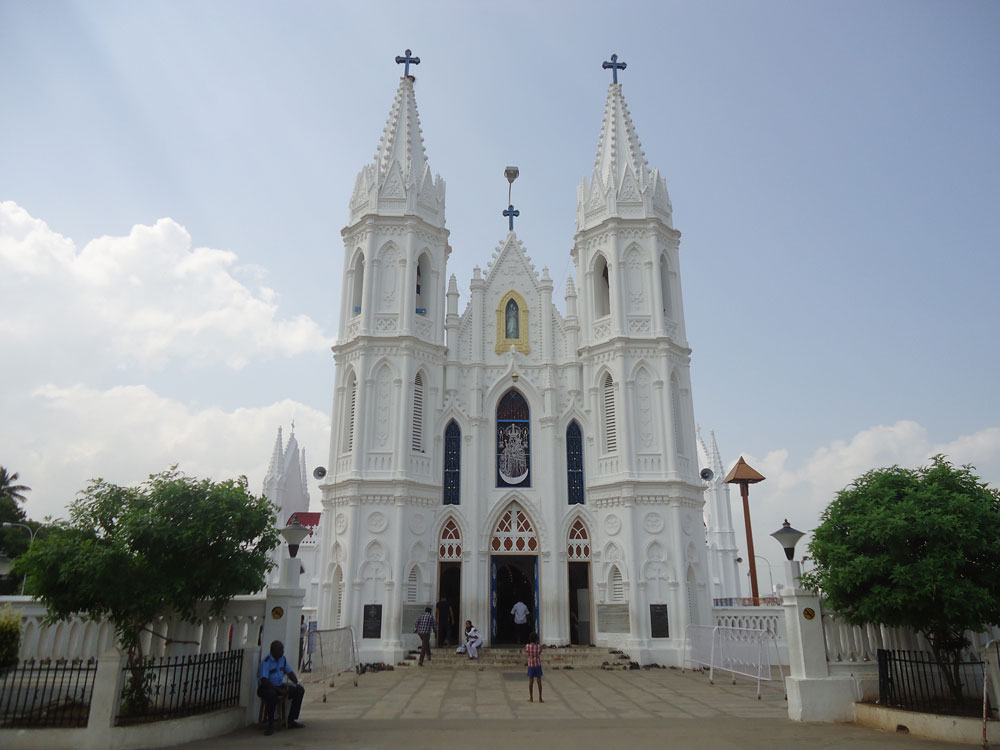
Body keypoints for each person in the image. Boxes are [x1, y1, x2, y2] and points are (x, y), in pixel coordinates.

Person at [257, 640, 305, 735]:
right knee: (272, 694)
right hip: (266, 688)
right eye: (280, 650)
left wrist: (297, 683)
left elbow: (290, 673)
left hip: (279, 685)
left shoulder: (282, 660)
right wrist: (279, 690)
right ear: (273, 651)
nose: (282, 652)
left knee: (299, 690)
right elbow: (264, 681)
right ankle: (270, 725)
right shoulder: (266, 662)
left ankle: (291, 720)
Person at [525, 631, 543, 703]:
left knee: (531, 681)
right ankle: (540, 698)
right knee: (539, 681)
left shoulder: (527, 646)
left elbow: (527, 652)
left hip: (531, 665)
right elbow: (540, 652)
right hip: (538, 664)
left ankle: (531, 698)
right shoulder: (539, 647)